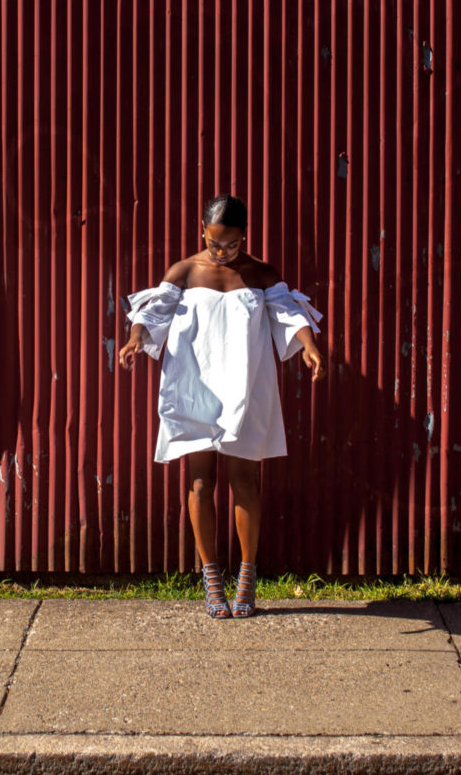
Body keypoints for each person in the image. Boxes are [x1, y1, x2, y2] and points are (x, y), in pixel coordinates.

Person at [118, 194, 324, 618]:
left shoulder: (260, 273)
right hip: (193, 386)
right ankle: (212, 581)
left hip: (246, 386)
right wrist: (137, 338)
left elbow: (287, 313)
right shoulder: (185, 270)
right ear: (202, 230)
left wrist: (309, 346)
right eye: (215, 243)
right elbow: (154, 312)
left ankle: (246, 579)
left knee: (245, 481)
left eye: (231, 244)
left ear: (243, 237)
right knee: (199, 483)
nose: (223, 252)